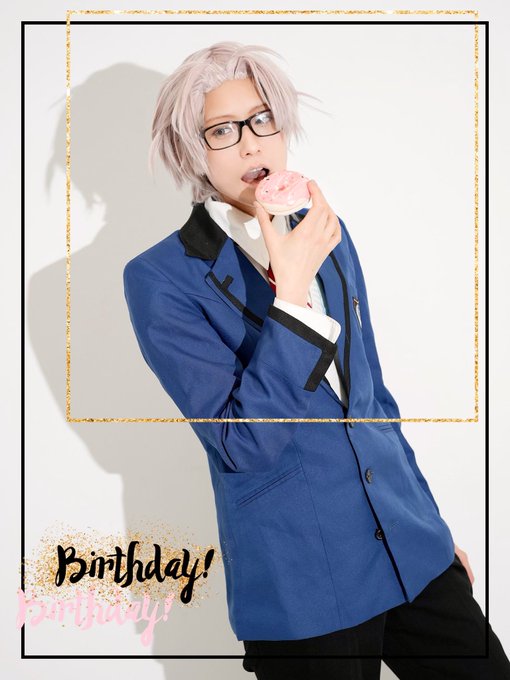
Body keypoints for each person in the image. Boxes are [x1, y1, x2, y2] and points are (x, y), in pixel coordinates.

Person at [123, 41, 510, 679]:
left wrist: (429, 530)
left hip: (408, 549)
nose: (250, 144)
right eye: (222, 130)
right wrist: (293, 293)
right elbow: (243, 443)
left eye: (261, 119)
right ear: (192, 150)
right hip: (304, 582)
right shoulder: (160, 279)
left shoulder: (324, 227)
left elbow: (373, 398)